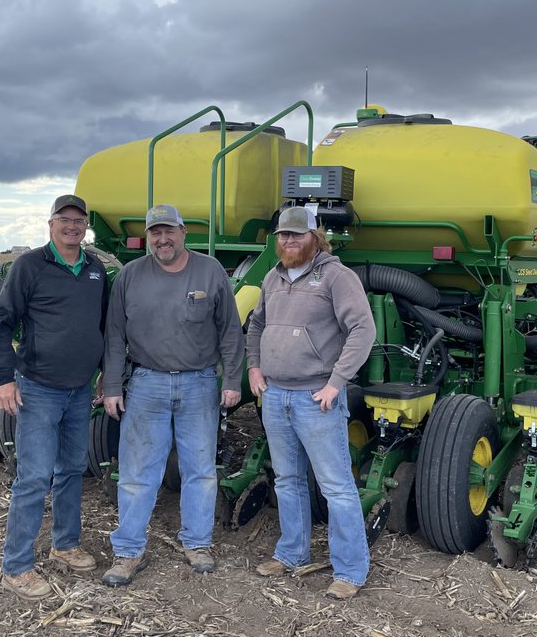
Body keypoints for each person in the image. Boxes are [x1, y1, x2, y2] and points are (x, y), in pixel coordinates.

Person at [99, 203, 244, 586]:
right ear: (148, 237)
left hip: (199, 383)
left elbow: (230, 331)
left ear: (183, 232)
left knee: (200, 469)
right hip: (147, 383)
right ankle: (128, 551)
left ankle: (197, 543)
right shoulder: (130, 276)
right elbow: (114, 336)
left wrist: (232, 379)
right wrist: (112, 385)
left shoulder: (210, 270)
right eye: (154, 233)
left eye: (169, 231)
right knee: (137, 473)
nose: (162, 239)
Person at [245, 206, 375, 599]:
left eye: (297, 235)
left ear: (315, 238)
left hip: (315, 398)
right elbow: (256, 324)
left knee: (335, 487)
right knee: (287, 480)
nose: (288, 241)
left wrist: (337, 383)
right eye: (283, 235)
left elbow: (362, 329)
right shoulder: (273, 276)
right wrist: (254, 367)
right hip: (276, 395)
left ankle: (350, 571)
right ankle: (292, 554)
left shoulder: (337, 276)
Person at [0, 195, 108, 601]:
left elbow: (103, 326)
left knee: (72, 469)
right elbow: (2, 323)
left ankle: (65, 543)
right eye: (64, 220)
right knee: (35, 476)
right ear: (51, 224)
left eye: (79, 221)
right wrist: (4, 378)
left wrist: (104, 374)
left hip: (79, 389)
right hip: (39, 387)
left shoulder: (95, 269)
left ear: (85, 225)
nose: (72, 226)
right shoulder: (30, 266)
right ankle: (16, 566)